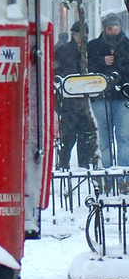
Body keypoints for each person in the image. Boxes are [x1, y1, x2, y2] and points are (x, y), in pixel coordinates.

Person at [87, 12, 129, 168]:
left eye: (115, 27)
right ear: (105, 28)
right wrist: (101, 62)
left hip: (123, 96)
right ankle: (107, 174)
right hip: (101, 97)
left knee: (124, 136)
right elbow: (85, 66)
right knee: (104, 138)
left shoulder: (126, 45)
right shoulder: (93, 46)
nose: (113, 31)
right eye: (109, 28)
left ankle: (124, 175)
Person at [54, 22, 96, 170]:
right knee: (68, 137)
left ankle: (83, 166)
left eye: (84, 35)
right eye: (79, 34)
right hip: (68, 101)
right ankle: (64, 164)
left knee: (85, 136)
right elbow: (56, 73)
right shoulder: (63, 51)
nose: (81, 38)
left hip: (84, 100)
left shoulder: (90, 51)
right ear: (73, 34)